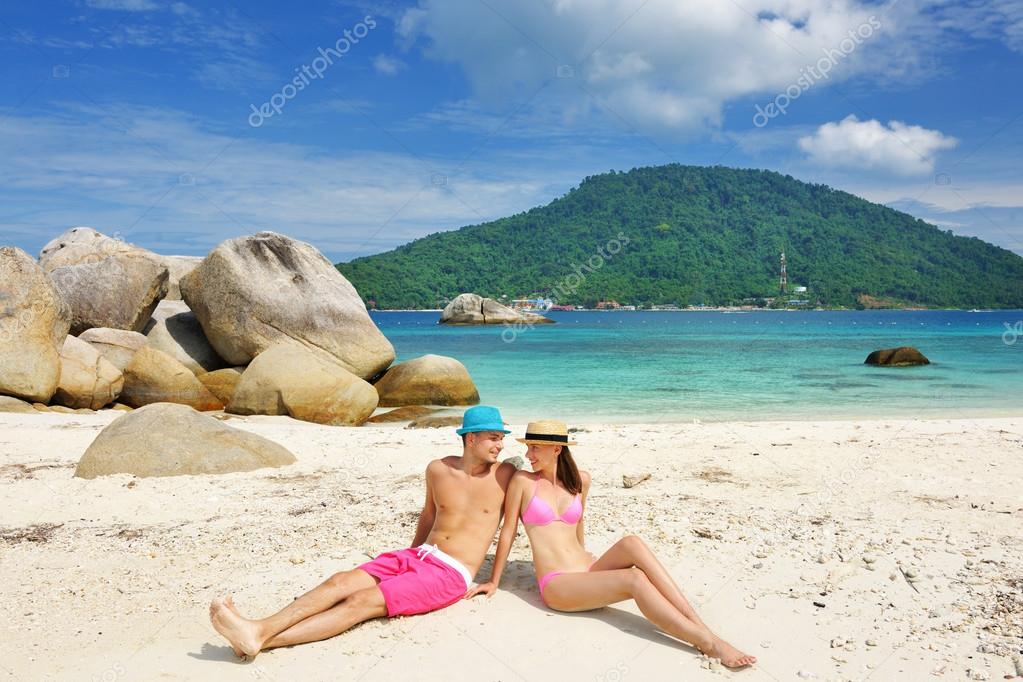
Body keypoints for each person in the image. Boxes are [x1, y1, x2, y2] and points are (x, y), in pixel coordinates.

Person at [209, 405, 516, 658]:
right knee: (339, 581)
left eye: (501, 438)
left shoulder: (506, 476)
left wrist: (493, 580)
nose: (500, 445)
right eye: (493, 438)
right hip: (418, 556)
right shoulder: (437, 469)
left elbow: (509, 529)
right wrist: (408, 556)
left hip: (451, 574)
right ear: (471, 439)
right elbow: (428, 516)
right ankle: (259, 627)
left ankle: (260, 637)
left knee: (359, 603)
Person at [466, 419, 756, 669]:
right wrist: (494, 580)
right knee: (634, 579)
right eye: (527, 447)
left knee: (632, 543)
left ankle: (696, 622)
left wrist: (588, 557)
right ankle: (707, 641)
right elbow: (508, 532)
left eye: (535, 448)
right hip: (559, 584)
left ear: (557, 449)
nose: (528, 454)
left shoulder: (580, 481)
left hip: (587, 568)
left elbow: (577, 528)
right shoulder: (523, 482)